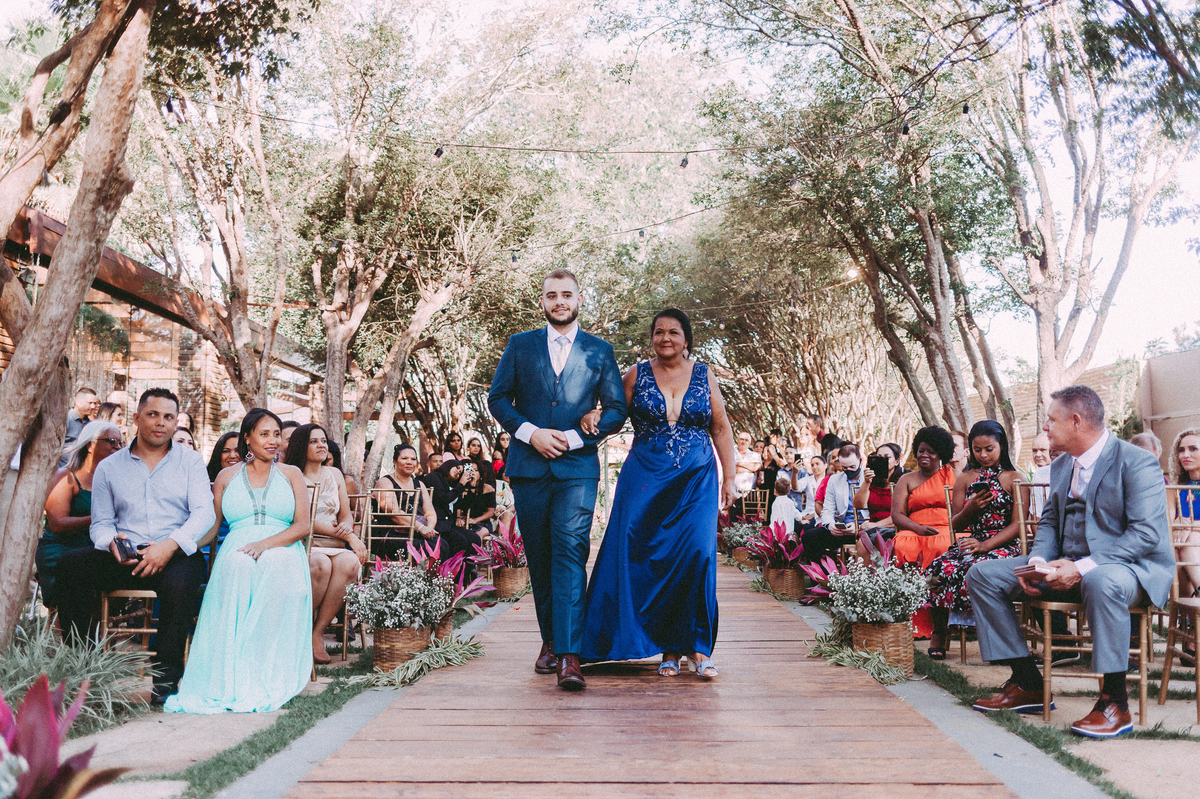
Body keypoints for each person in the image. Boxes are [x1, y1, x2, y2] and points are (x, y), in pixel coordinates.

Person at [967, 385, 1172, 738]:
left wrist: (1081, 567)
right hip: (1066, 565)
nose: (1045, 427)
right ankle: (1028, 682)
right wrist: (1038, 562)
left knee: (1101, 580)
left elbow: (1145, 535)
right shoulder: (1062, 465)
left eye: (1051, 420)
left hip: (1129, 570)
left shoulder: (1137, 462)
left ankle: (1115, 702)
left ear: (1076, 421)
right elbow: (1049, 522)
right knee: (982, 575)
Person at [488, 268, 627, 691]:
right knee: (541, 556)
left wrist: (572, 437)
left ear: (580, 299)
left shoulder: (600, 351)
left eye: (567, 294)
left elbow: (617, 410)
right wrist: (531, 433)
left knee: (569, 551)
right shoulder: (520, 345)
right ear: (543, 302)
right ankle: (549, 640)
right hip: (528, 468)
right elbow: (498, 398)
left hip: (577, 469)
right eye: (552, 295)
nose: (560, 301)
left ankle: (570, 655)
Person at [582, 308, 735, 679]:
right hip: (645, 480)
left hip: (696, 481)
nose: (665, 338)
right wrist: (592, 414)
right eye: (659, 332)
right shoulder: (636, 374)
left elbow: (720, 428)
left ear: (686, 339)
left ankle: (698, 648)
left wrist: (729, 477)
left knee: (697, 555)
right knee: (641, 553)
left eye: (673, 332)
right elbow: (613, 413)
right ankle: (666, 646)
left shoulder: (704, 374)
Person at [55, 388, 215, 704]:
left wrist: (169, 546)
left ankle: (165, 682)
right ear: (137, 418)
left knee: (181, 582)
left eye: (168, 417)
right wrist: (110, 542)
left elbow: (204, 513)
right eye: (153, 414)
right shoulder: (110, 467)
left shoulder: (190, 462)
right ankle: (87, 670)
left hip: (174, 552)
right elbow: (101, 523)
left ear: (175, 422)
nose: (160, 423)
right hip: (125, 554)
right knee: (70, 567)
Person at [165, 409, 313, 714]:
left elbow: (302, 526)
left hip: (283, 548)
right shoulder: (226, 477)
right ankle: (232, 675)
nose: (273, 441)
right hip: (239, 547)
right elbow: (212, 528)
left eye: (276, 434)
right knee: (237, 565)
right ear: (247, 438)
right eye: (264, 434)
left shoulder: (291, 474)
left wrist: (264, 545)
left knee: (273, 565)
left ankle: (264, 673)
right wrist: (177, 546)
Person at [925, 420, 1022, 658]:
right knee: (937, 568)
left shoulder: (1014, 478)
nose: (983, 455)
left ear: (1002, 446)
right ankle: (940, 631)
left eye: (989, 449)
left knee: (976, 568)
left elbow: (1018, 524)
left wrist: (985, 545)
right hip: (972, 541)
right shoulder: (965, 477)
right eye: (977, 450)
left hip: (1005, 544)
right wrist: (970, 509)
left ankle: (995, 638)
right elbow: (956, 524)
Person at [284, 424, 367, 665]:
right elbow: (302, 520)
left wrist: (347, 528)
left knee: (350, 563)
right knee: (321, 564)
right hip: (305, 543)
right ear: (301, 446)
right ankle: (298, 627)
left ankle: (317, 633)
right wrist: (350, 537)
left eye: (323, 440)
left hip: (335, 543)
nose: (321, 445)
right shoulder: (291, 475)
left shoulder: (335, 474)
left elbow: (346, 514)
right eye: (314, 441)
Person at [36, 421, 124, 607]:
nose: (117, 447)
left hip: (96, 549)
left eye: (120, 443)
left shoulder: (115, 481)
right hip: (62, 549)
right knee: (76, 580)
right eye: (111, 441)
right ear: (90, 445)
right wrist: (98, 519)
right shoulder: (67, 476)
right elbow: (57, 523)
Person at [889, 426, 957, 638]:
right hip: (914, 529)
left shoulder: (954, 476)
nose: (924, 455)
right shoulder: (906, 479)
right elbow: (897, 515)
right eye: (921, 451)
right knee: (902, 544)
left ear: (941, 454)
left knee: (945, 545)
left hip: (947, 528)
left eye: (931, 451)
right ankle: (912, 618)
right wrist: (917, 528)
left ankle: (948, 621)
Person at [800, 444, 868, 563]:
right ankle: (821, 573)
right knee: (809, 537)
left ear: (860, 461)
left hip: (866, 527)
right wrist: (830, 525)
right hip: (842, 528)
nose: (849, 470)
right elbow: (827, 509)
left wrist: (858, 526)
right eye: (845, 467)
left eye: (852, 466)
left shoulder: (869, 478)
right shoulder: (834, 480)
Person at [374, 443, 439, 560]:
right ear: (395, 462)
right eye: (404, 458)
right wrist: (421, 528)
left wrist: (428, 529)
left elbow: (430, 513)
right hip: (393, 535)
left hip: (418, 534)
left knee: (441, 545)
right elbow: (393, 513)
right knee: (424, 548)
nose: (409, 462)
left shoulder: (420, 484)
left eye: (413, 459)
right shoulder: (385, 482)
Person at [1168, 428, 1200, 596]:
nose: (1185, 455)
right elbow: (1167, 522)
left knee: (1189, 539)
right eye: (1181, 450)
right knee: (1173, 548)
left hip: (1193, 542)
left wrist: (1189, 526)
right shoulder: (1174, 488)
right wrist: (1177, 525)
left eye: (1193, 449)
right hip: (1181, 544)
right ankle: (1189, 605)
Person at [60, 387, 99, 468]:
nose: (93, 406)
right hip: (62, 469)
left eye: (95, 403)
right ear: (77, 402)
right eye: (90, 403)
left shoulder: (91, 424)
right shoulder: (65, 420)